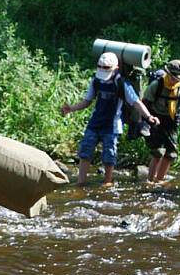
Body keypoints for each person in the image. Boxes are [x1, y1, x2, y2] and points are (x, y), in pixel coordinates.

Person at [61, 52, 158, 186]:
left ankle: (107, 182)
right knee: (85, 151)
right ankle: (80, 182)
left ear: (116, 69)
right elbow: (87, 101)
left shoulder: (121, 83)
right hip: (95, 123)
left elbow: (136, 102)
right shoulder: (96, 80)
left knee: (109, 155)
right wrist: (71, 108)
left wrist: (148, 117)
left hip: (112, 125)